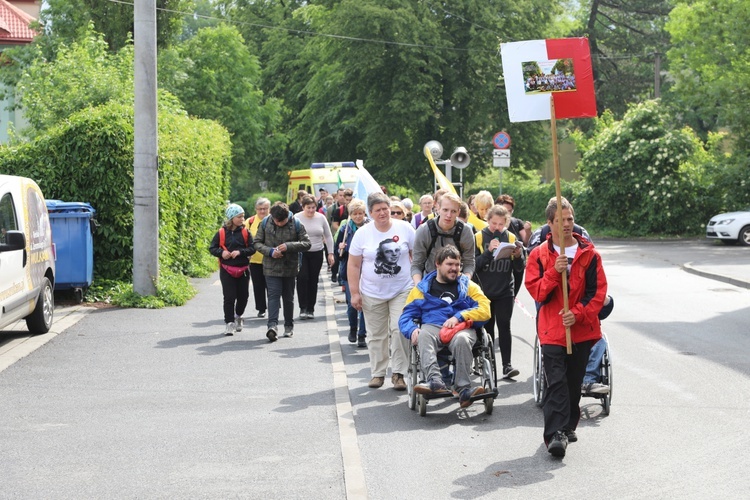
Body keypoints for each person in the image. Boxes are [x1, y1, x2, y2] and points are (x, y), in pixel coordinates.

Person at [525, 197, 608, 458]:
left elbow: (598, 293)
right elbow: (536, 292)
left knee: (573, 384)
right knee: (557, 383)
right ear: (549, 224)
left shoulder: (591, 254)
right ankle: (555, 435)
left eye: (570, 219)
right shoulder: (539, 255)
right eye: (561, 220)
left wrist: (578, 314)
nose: (567, 224)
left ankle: (569, 423)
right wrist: (553, 271)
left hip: (581, 329)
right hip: (552, 330)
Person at [399, 245, 491, 408]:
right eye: (449, 264)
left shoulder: (468, 286)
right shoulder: (421, 289)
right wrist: (412, 330)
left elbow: (485, 309)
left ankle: (464, 389)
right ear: (438, 264)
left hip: (461, 328)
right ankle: (435, 382)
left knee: (462, 339)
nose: (454, 269)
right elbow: (405, 316)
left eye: (457, 265)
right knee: (424, 334)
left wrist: (460, 316)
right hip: (433, 326)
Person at [347, 192, 415, 391]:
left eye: (385, 208)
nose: (383, 213)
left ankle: (399, 373)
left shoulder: (405, 229)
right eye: (378, 210)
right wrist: (355, 293)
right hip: (371, 292)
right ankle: (378, 373)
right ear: (371, 212)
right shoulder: (363, 233)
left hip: (402, 289)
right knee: (376, 334)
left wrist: (418, 282)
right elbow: (353, 265)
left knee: (399, 329)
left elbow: (416, 255)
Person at [473, 205, 525, 379]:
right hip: (484, 292)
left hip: (505, 290)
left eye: (501, 224)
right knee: (486, 329)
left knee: (504, 326)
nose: (497, 227)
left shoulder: (510, 237)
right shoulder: (479, 237)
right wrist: (488, 252)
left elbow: (518, 268)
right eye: (494, 223)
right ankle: (487, 362)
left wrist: (518, 256)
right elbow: (473, 265)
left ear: (506, 223)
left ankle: (507, 365)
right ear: (487, 221)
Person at [253, 202, 311, 342]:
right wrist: (270, 251)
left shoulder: (296, 224)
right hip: (270, 267)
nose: (278, 224)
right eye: (276, 221)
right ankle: (272, 326)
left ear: (287, 217)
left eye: (282, 222)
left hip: (289, 267)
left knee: (288, 298)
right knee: (273, 296)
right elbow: (256, 243)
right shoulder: (265, 223)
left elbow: (307, 243)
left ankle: (288, 325)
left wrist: (288, 246)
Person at [209, 203, 255, 335]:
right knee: (229, 297)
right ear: (231, 218)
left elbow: (252, 248)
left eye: (243, 216)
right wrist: (221, 253)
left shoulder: (246, 232)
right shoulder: (221, 233)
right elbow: (212, 248)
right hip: (226, 269)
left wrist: (240, 252)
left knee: (243, 297)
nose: (242, 219)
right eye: (239, 216)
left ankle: (238, 316)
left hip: (243, 269)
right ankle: (229, 323)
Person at [411, 192, 475, 285]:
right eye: (445, 210)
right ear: (438, 209)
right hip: (430, 281)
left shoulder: (466, 231)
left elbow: (469, 262)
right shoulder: (424, 230)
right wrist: (419, 286)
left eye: (453, 211)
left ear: (458, 212)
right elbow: (417, 264)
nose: (449, 215)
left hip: (457, 281)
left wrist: (465, 282)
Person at [294, 195, 335, 320]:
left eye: (313, 207)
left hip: (317, 252)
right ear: (303, 207)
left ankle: (311, 308)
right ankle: (303, 307)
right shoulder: (296, 218)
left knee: (313, 280)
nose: (311, 210)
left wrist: (330, 253)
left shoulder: (321, 218)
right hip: (301, 253)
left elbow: (328, 236)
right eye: (308, 208)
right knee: (302, 278)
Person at [336, 199, 368, 347]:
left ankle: (362, 334)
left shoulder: (370, 228)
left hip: (367, 271)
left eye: (360, 213)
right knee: (352, 303)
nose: (358, 216)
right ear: (350, 215)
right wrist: (340, 248)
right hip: (350, 271)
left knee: (367, 304)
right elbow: (338, 254)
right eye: (355, 214)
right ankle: (353, 328)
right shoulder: (345, 229)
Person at [495, 194, 532, 298]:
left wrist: (528, 231)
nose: (508, 214)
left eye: (510, 211)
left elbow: (526, 242)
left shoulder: (516, 223)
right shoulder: (492, 226)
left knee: (511, 297)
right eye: (505, 211)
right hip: (498, 270)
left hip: (516, 267)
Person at [246, 197, 271, 318]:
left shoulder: (274, 220)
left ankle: (273, 306)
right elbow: (244, 238)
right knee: (258, 285)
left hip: (271, 259)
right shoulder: (249, 222)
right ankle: (261, 308)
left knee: (272, 285)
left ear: (269, 209)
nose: (262, 211)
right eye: (260, 209)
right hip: (255, 260)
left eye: (265, 209)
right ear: (256, 209)